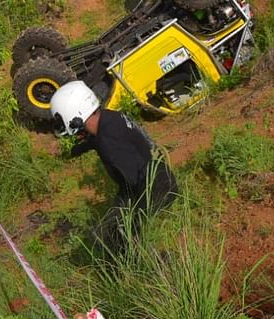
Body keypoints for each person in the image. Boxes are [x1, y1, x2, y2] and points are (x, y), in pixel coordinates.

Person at [49, 81, 179, 257]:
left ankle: (157, 264)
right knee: (104, 233)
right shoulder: (107, 119)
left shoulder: (109, 142)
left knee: (120, 238)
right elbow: (92, 142)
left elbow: (133, 181)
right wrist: (70, 152)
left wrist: (128, 216)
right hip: (154, 177)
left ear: (74, 114)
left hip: (155, 188)